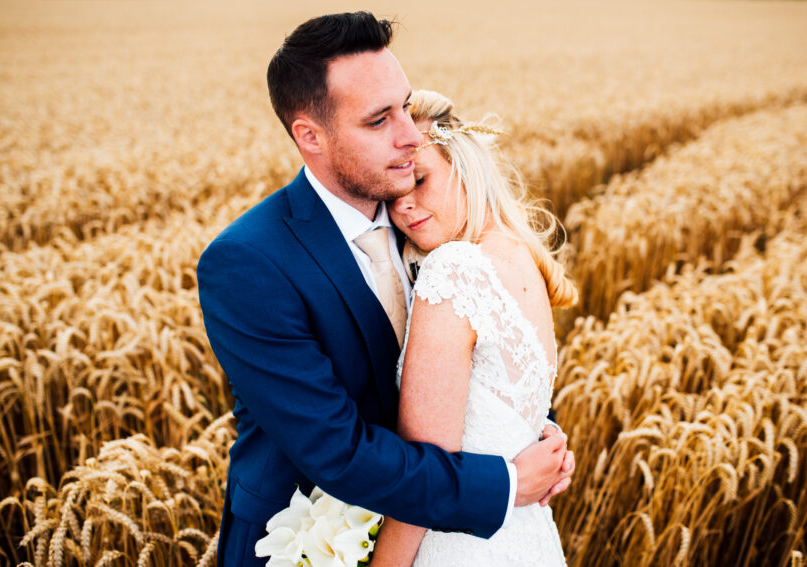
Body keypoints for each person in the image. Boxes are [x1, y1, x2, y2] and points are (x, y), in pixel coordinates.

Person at [196, 12, 573, 566]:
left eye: (404, 105)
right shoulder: (248, 263)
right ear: (311, 136)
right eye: (379, 120)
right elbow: (337, 451)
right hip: (306, 543)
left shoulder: (427, 226)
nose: (410, 135)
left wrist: (526, 432)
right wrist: (505, 482)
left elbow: (470, 371)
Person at [366, 90, 579, 566]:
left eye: (420, 180)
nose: (404, 207)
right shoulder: (521, 257)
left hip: (457, 546)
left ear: (464, 167)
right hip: (523, 538)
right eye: (392, 195)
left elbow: (425, 480)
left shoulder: (454, 269)